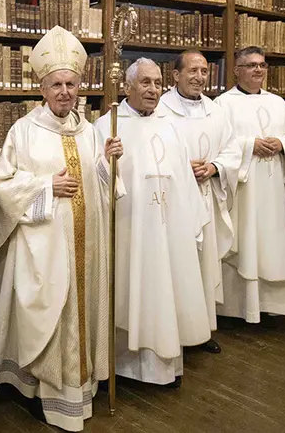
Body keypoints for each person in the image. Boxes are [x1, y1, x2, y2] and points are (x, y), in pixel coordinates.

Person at [0, 26, 123, 431]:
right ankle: (38, 389)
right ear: (43, 89)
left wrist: (109, 162)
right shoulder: (23, 131)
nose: (65, 91)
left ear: (80, 87)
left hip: (88, 247)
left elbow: (106, 188)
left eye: (71, 84)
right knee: (46, 315)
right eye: (56, 84)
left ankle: (78, 385)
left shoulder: (93, 130)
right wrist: (48, 185)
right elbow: (3, 189)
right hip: (43, 249)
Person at [94, 58, 211, 388]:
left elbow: (184, 178)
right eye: (145, 82)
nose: (153, 89)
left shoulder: (170, 124)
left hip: (168, 226)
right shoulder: (109, 125)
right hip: (132, 229)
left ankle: (165, 365)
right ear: (127, 86)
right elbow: (97, 179)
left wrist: (191, 221)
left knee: (166, 290)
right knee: (131, 290)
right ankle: (125, 366)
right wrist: (106, 159)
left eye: (158, 83)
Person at [158, 50, 241, 353]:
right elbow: (152, 148)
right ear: (176, 75)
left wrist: (215, 167)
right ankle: (175, 330)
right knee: (178, 264)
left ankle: (202, 329)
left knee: (204, 265)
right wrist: (182, 167)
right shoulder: (160, 109)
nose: (199, 77)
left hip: (206, 195)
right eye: (192, 71)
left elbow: (233, 150)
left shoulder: (216, 110)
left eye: (204, 71)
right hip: (175, 202)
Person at [214, 46, 285, 327]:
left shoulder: (279, 103)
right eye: (250, 65)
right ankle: (237, 308)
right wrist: (250, 145)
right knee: (244, 239)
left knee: (270, 241)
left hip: (272, 188)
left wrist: (282, 143)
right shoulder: (223, 105)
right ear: (237, 70)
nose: (258, 70)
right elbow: (219, 144)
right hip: (242, 189)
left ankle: (271, 306)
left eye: (262, 65)